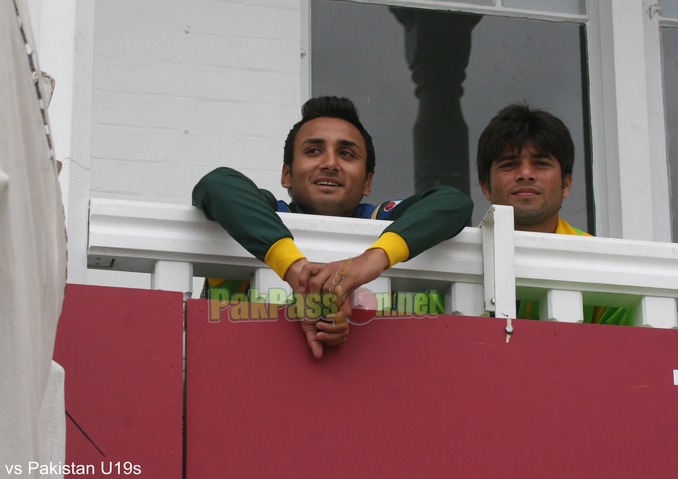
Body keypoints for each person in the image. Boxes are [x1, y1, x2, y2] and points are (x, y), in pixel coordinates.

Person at [193, 96, 474, 357]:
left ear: (367, 182)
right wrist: (301, 276)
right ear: (287, 174)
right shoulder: (267, 212)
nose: (330, 163)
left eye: (347, 154)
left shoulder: (381, 221)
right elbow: (217, 184)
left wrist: (369, 262)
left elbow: (454, 203)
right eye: (314, 151)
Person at [476, 104, 632, 325]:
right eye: (510, 164)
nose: (526, 174)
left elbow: (621, 352)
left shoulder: (602, 261)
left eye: (540, 163)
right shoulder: (455, 254)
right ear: (486, 187)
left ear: (566, 184)